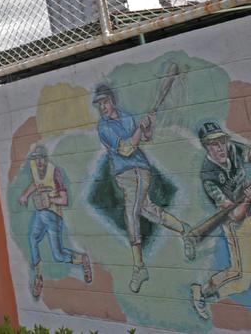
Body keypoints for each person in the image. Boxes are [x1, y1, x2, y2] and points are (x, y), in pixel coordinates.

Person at [93, 82, 194, 293]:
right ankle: (185, 230)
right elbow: (127, 148)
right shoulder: (103, 127)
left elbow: (143, 141)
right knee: (148, 209)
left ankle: (139, 267)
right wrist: (140, 130)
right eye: (99, 104)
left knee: (131, 212)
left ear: (112, 100)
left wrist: (147, 127)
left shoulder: (127, 117)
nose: (103, 107)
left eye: (105, 102)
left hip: (138, 171)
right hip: (124, 174)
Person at [189, 122, 251, 320]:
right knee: (240, 278)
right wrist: (248, 199)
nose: (220, 147)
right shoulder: (208, 177)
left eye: (221, 141)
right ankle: (205, 293)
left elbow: (248, 154)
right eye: (214, 144)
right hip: (236, 222)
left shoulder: (232, 148)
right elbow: (234, 215)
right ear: (206, 146)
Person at [17, 144, 92, 299]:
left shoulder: (55, 172)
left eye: (41, 158)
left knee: (58, 255)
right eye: (36, 159)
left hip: (53, 215)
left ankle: (81, 259)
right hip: (40, 214)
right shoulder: (34, 168)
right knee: (32, 238)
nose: (38, 162)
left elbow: (64, 200)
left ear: (46, 158)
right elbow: (35, 183)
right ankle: (38, 276)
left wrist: (49, 199)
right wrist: (25, 195)